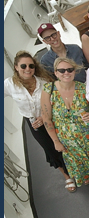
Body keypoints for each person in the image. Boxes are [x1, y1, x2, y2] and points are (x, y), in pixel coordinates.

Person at [39, 54, 89, 198]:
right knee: (78, 162)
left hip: (88, 134)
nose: (66, 73)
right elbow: (46, 118)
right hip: (67, 139)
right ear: (55, 73)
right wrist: (55, 141)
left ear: (74, 71)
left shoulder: (83, 88)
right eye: (62, 70)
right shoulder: (48, 90)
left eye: (70, 70)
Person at [10, 52, 70, 188]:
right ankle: (66, 175)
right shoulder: (10, 85)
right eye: (23, 66)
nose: (28, 69)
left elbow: (56, 101)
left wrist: (44, 117)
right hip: (34, 124)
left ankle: (75, 169)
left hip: (51, 118)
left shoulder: (43, 83)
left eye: (31, 66)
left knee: (63, 143)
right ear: (16, 67)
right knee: (50, 149)